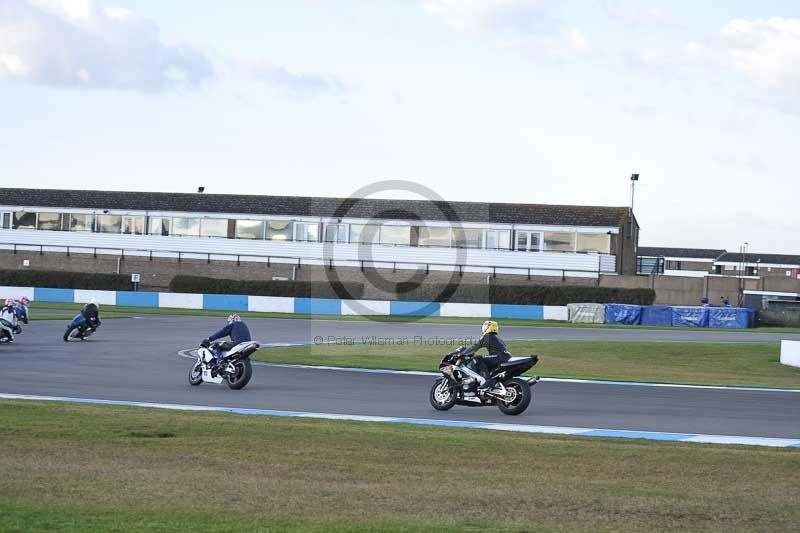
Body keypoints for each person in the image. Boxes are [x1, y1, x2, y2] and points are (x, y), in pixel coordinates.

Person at [463, 320, 511, 394]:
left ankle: (487, 381)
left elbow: (475, 346)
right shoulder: (497, 339)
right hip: (506, 357)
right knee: (488, 364)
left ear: (488, 327)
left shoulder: (487, 336)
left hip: (499, 357)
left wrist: (463, 353)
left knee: (477, 358)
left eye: (485, 326)